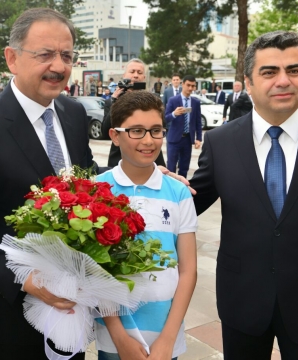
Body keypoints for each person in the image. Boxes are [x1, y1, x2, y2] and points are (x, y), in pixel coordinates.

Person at [0, 8, 99, 360]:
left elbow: (87, 181)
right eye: (45, 54)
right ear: (12, 58)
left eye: (66, 55)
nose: (59, 66)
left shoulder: (73, 113)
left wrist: (140, 172)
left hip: (73, 304)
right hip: (13, 316)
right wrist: (27, 280)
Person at [189, 30, 298, 360]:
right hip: (242, 301)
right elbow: (187, 205)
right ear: (248, 80)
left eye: (294, 70)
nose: (283, 81)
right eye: (269, 72)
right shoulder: (221, 143)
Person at [95, 90, 197, 360]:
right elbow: (92, 272)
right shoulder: (97, 191)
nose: (148, 141)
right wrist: (119, 338)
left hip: (166, 338)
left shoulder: (178, 192)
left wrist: (167, 339)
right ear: (115, 135)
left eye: (156, 131)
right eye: (136, 131)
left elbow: (188, 271)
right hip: (114, 340)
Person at [103, 58, 166, 167]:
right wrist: (114, 100)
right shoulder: (112, 101)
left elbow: (160, 128)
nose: (135, 75)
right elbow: (104, 131)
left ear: (144, 77)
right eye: (132, 72)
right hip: (119, 160)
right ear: (124, 75)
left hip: (151, 160)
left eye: (139, 72)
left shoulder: (155, 101)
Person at [164, 74, 202, 177]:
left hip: (187, 139)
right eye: (188, 85)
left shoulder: (195, 102)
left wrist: (198, 138)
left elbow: (198, 121)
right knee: (171, 167)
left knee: (184, 167)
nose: (190, 88)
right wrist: (174, 114)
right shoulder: (173, 100)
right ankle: (170, 189)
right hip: (174, 139)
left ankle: (182, 189)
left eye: (193, 86)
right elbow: (165, 118)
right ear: (183, 84)